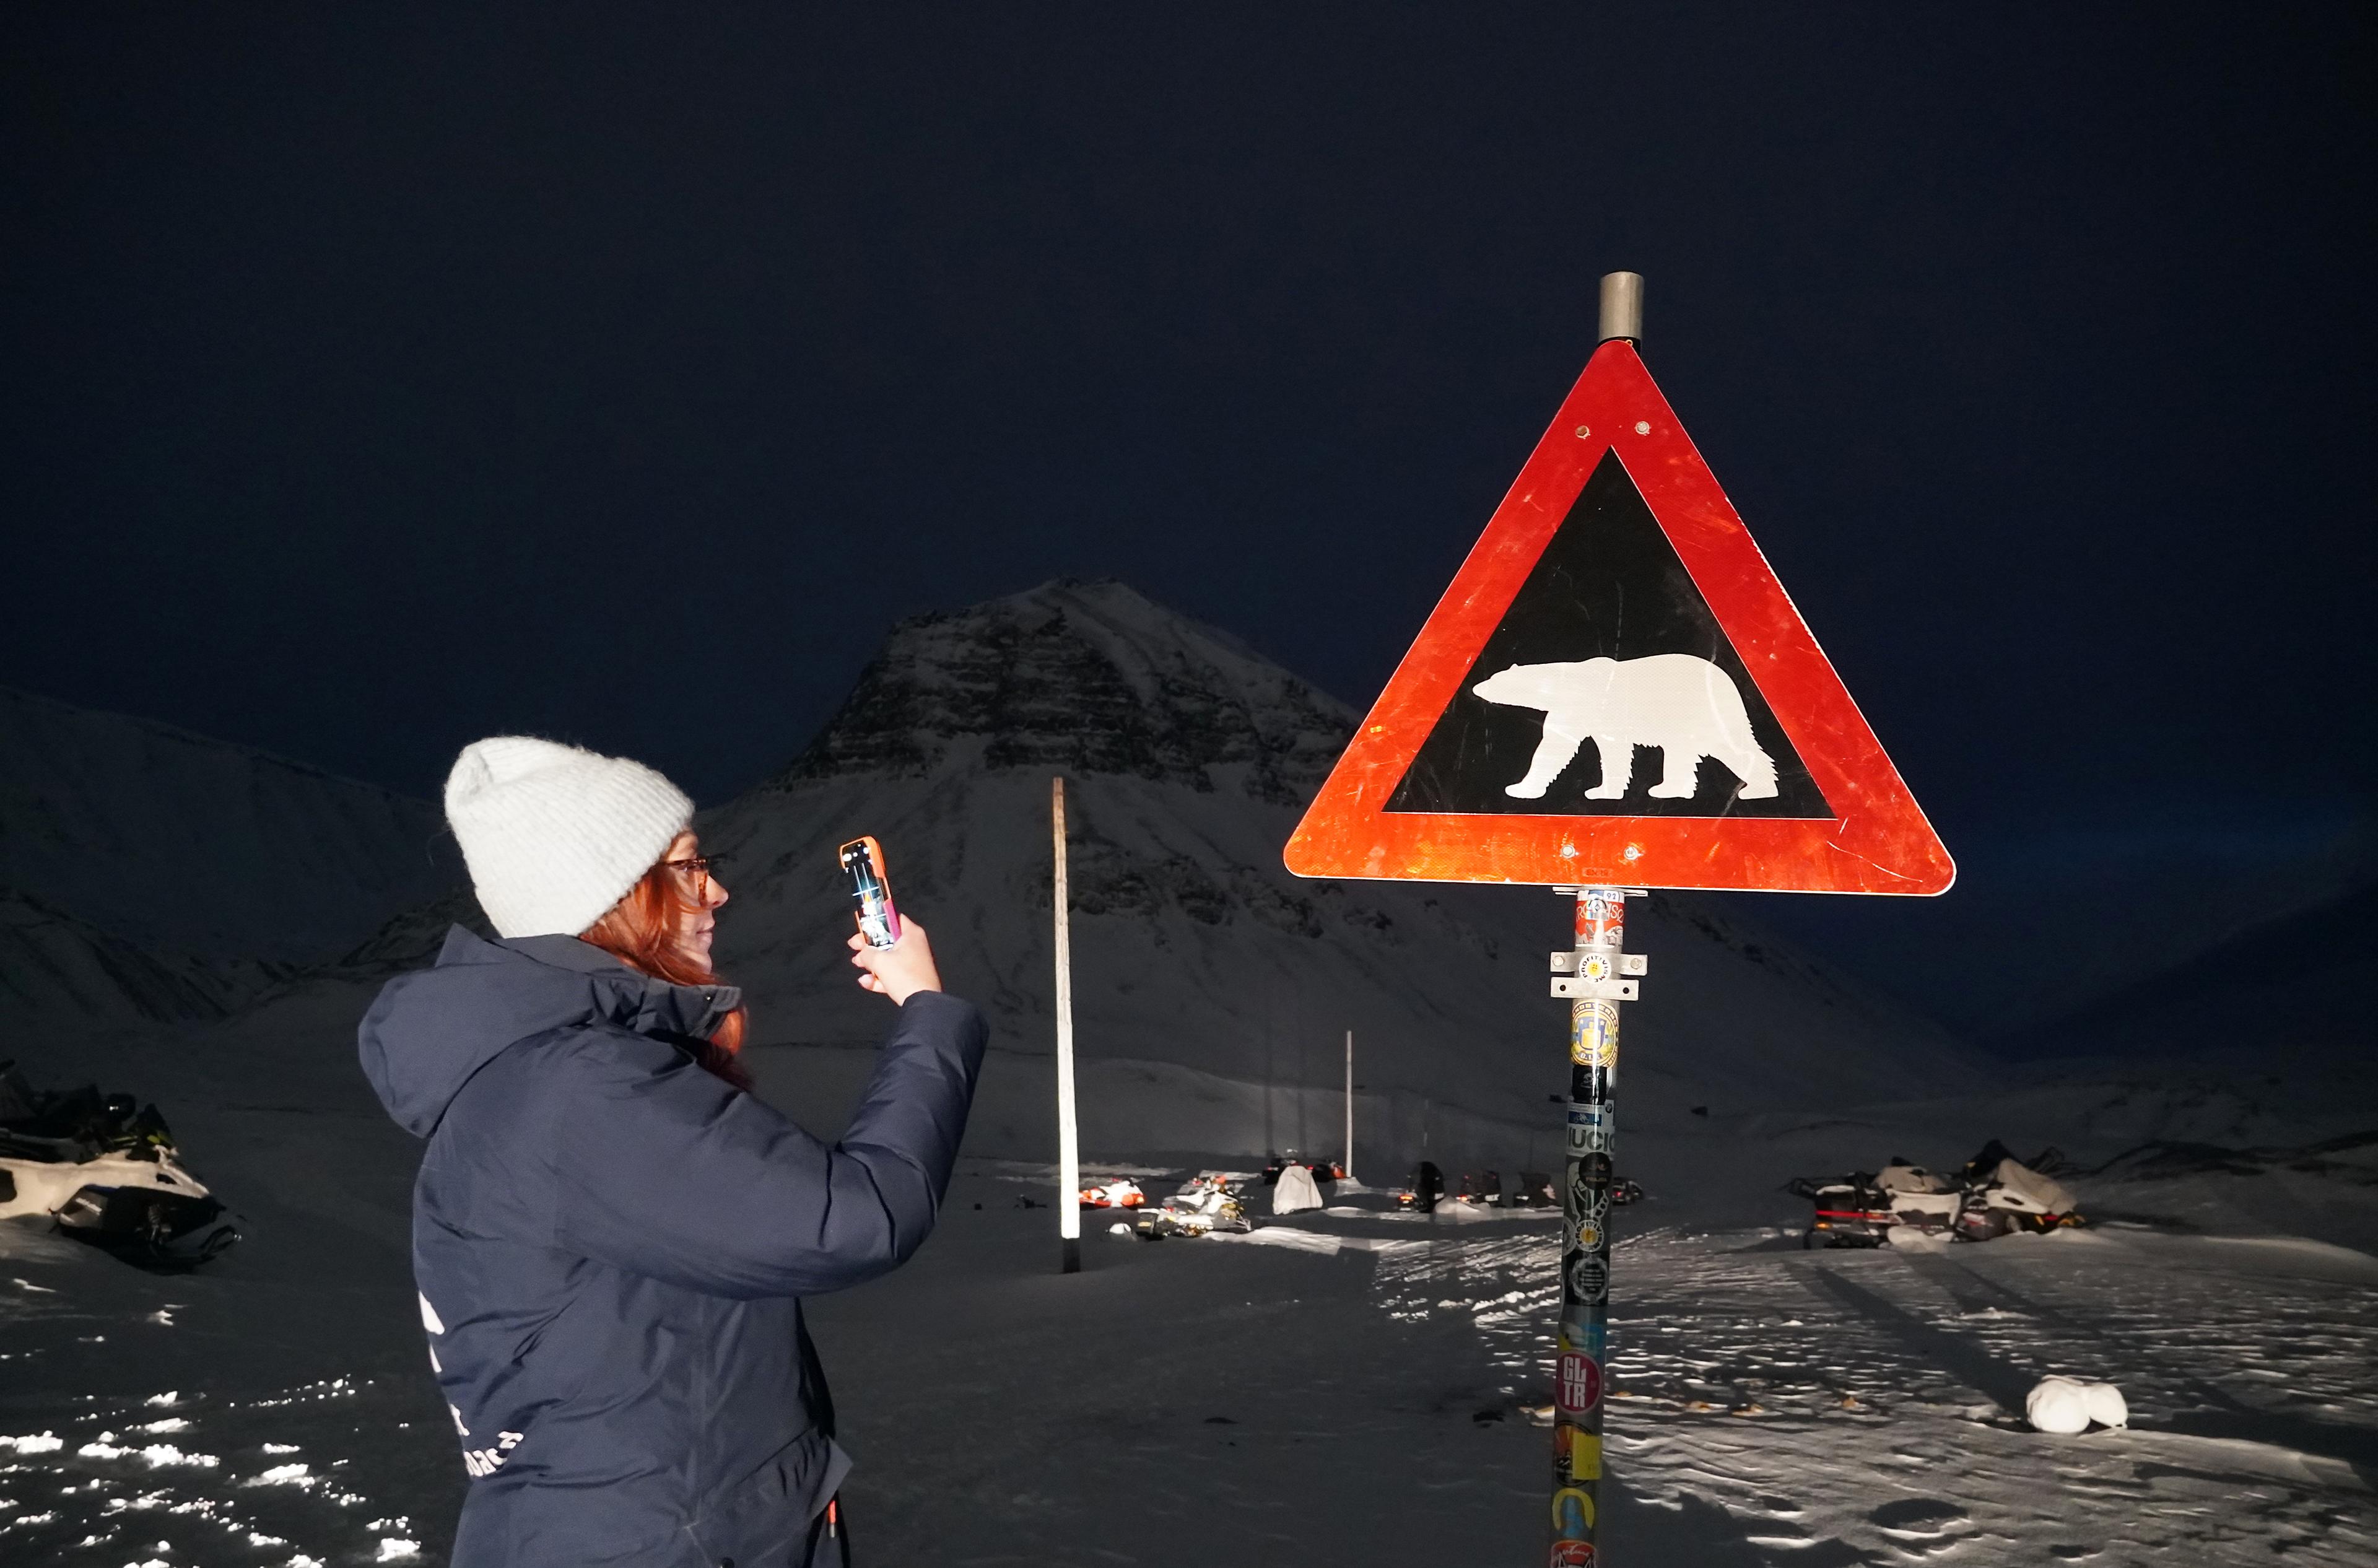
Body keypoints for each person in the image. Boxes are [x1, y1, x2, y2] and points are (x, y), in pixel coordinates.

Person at [359, 736, 985, 1567]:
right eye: (688, 868)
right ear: (613, 894)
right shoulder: (576, 1089)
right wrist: (928, 1013)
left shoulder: (554, 1077)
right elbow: (859, 1216)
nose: (717, 892)